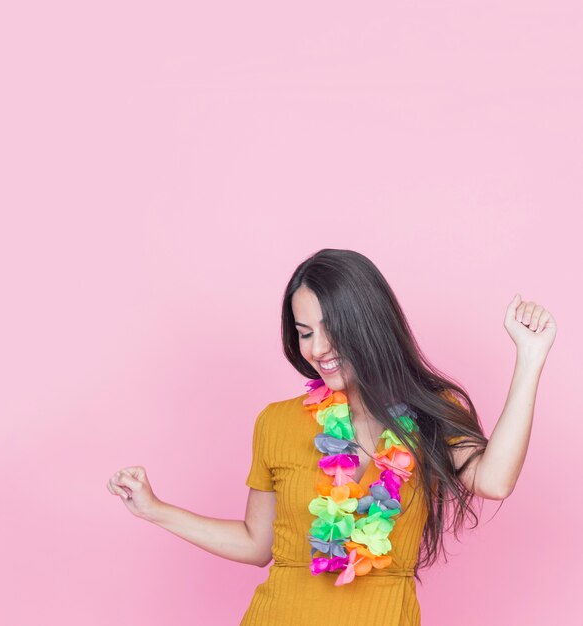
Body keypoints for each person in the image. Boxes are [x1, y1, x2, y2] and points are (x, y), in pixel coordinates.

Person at [106, 248, 557, 625]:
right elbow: (255, 543)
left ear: (369, 324)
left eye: (332, 330)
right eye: (304, 333)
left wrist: (530, 360)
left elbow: (494, 481)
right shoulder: (276, 423)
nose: (317, 349)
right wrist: (154, 510)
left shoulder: (429, 416)